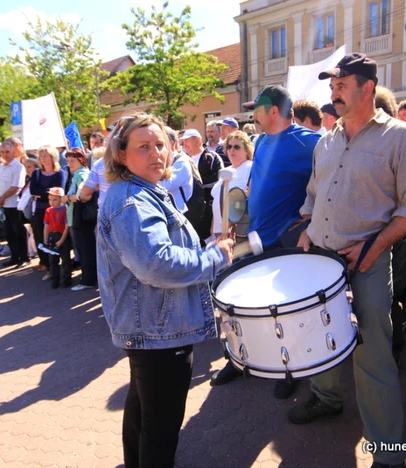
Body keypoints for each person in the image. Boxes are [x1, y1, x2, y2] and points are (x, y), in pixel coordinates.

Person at [291, 53, 406, 468]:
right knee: (320, 340)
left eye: (341, 84)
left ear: (367, 88)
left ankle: (388, 451)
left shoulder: (399, 138)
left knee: (372, 355)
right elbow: (315, 196)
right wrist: (308, 227)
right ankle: (327, 399)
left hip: (368, 264)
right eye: (331, 86)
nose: (333, 92)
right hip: (319, 258)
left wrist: (373, 246)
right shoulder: (327, 140)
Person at [96, 113, 234, 468]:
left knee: (143, 411)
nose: (156, 153)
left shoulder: (141, 192)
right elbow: (156, 264)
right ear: (121, 154)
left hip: (153, 327)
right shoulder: (132, 202)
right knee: (160, 427)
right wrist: (213, 257)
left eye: (160, 144)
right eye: (143, 147)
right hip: (159, 330)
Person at [210, 85, 321, 402]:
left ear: (275, 111)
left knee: (284, 312)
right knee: (239, 304)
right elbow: (255, 187)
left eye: (257, 108)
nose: (252, 114)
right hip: (254, 238)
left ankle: (290, 369)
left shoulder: (310, 142)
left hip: (285, 242)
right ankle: (239, 360)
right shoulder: (259, 140)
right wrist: (233, 225)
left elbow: (331, 185)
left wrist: (310, 223)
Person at [180, 128, 223, 243]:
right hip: (191, 208)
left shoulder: (212, 157)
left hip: (209, 205)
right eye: (183, 142)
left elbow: (219, 178)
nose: (184, 144)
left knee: (208, 236)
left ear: (198, 140)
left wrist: (197, 183)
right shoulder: (183, 160)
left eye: (187, 140)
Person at [30, 146, 67, 276]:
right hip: (40, 210)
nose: (43, 159)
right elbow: (33, 191)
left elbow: (59, 191)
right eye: (41, 156)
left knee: (57, 236)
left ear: (52, 157)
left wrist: (43, 193)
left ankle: (62, 265)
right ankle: (46, 264)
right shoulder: (36, 173)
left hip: (56, 211)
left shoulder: (59, 173)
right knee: (41, 236)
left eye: (46, 156)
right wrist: (49, 193)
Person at [63, 149, 96, 291]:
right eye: (68, 161)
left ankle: (88, 280)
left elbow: (84, 195)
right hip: (77, 216)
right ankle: (88, 277)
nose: (69, 164)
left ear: (81, 160)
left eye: (72, 161)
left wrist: (68, 198)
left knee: (85, 249)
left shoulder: (81, 174)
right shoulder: (77, 173)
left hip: (81, 217)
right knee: (83, 248)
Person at [211, 131, 254, 237]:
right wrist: (213, 224)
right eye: (229, 147)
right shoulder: (225, 171)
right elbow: (218, 198)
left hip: (237, 230)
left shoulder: (251, 168)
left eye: (236, 147)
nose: (232, 150)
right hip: (219, 230)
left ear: (247, 150)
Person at [0, 142, 28, 268]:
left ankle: (24, 257)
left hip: (15, 204)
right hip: (4, 205)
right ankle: (14, 256)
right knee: (8, 233)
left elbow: (16, 186)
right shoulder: (2, 167)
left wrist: (2, 197)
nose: (4, 154)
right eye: (2, 152)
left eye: (7, 152)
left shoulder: (18, 166)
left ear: (13, 152)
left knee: (19, 232)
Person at [44, 187, 72, 289]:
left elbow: (66, 228)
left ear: (61, 199)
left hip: (62, 237)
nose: (52, 202)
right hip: (52, 236)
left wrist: (61, 240)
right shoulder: (48, 210)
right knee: (53, 260)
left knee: (65, 259)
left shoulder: (65, 210)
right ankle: (55, 279)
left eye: (55, 199)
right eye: (50, 199)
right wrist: (45, 239)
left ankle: (66, 279)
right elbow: (46, 226)